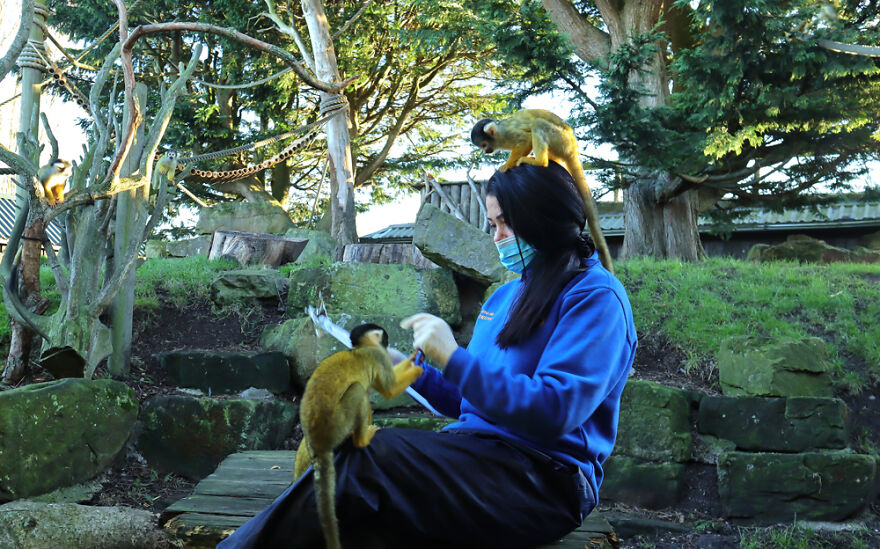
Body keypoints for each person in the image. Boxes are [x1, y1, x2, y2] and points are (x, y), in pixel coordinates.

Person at [217, 161, 637, 548]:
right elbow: (477, 402)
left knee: (371, 459)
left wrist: (453, 358)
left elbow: (554, 409)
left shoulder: (596, 297)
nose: (497, 239)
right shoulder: (508, 293)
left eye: (505, 225)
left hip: (544, 481)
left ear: (542, 216)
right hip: (478, 458)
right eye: (492, 225)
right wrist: (417, 373)